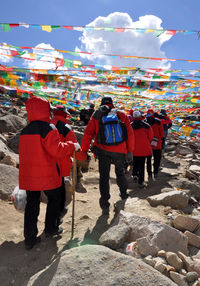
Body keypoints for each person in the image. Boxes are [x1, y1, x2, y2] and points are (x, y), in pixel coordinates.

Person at [19, 96, 80, 250]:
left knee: (32, 203)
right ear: (45, 110)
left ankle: (29, 239)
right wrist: (72, 145)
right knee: (54, 199)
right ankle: (50, 229)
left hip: (29, 174)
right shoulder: (48, 128)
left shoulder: (25, 130)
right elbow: (57, 151)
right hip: (46, 173)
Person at [78, 96, 135, 215]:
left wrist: (83, 151)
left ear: (102, 103)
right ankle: (124, 194)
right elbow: (130, 134)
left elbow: (88, 134)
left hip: (103, 151)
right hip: (120, 150)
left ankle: (105, 203)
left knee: (104, 176)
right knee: (120, 173)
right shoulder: (121, 114)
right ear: (112, 104)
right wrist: (130, 150)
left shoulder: (97, 114)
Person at [51, 105, 78, 219]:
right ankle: (58, 216)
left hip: (47, 163)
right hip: (61, 164)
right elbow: (74, 146)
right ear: (64, 114)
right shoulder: (66, 127)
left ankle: (54, 217)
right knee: (60, 190)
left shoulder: (47, 125)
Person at [131, 111, 153, 188]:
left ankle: (134, 174)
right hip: (144, 149)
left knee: (135, 162)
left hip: (133, 148)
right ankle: (141, 181)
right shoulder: (147, 126)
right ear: (140, 117)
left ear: (133, 117)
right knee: (141, 165)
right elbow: (150, 137)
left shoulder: (130, 126)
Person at [145, 109, 164, 179]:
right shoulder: (158, 121)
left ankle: (149, 173)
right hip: (157, 142)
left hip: (148, 143)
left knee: (148, 159)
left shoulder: (145, 121)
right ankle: (155, 172)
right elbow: (162, 134)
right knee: (157, 158)